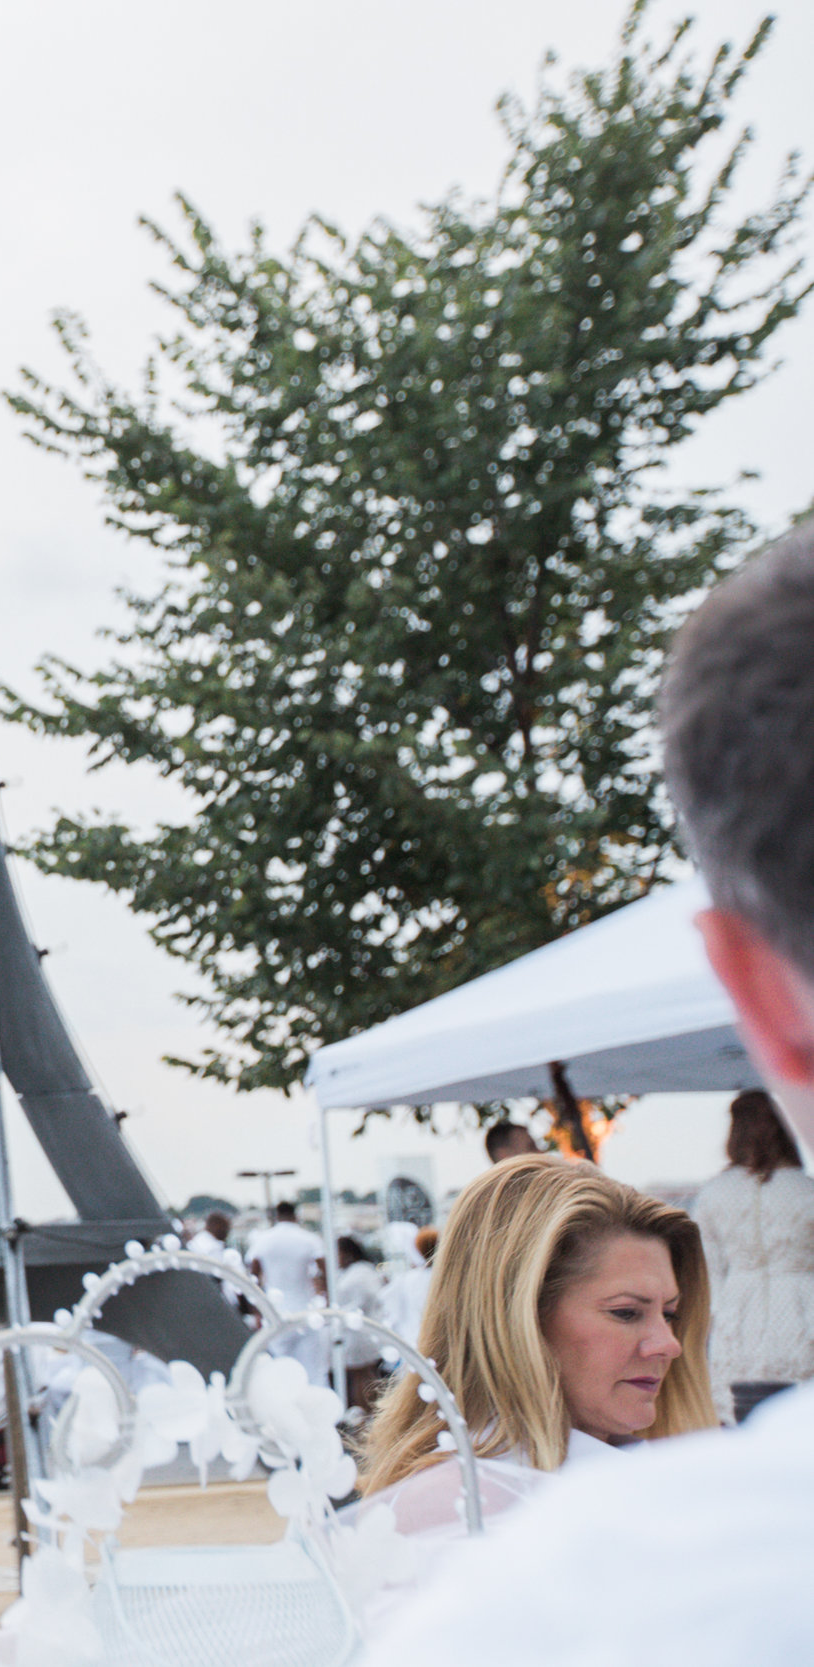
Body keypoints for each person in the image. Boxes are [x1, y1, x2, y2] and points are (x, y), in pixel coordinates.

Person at [358, 518, 814, 1666]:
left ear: (754, 997)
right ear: (512, 1311)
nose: (662, 1341)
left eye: (662, 1312)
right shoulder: (527, 1534)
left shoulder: (608, 1572)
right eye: (629, 1312)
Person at [355, 1158, 714, 1538]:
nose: (669, 1345)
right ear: (518, 1319)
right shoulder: (460, 1506)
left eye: (671, 1314)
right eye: (626, 1313)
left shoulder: (664, 1472)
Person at [693, 1089, 814, 1423]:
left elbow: (707, 1271)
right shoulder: (807, 1189)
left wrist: (719, 1316)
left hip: (738, 1312)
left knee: (739, 1415)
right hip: (802, 1309)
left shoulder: (713, 1194)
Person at [247, 1201, 328, 1382]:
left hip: (274, 1312)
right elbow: (325, 1269)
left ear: (276, 1216)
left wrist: (257, 1312)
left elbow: (253, 1276)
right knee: (313, 1372)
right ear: (295, 1215)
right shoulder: (308, 1238)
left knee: (279, 1371)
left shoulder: (263, 1239)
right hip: (306, 1310)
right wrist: (326, 1296)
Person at [333, 1235, 387, 1412]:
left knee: (363, 1377)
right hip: (356, 1331)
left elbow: (366, 1298)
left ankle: (369, 1414)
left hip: (359, 1332)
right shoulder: (355, 1272)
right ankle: (369, 1413)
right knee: (363, 1376)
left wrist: (342, 1314)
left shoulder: (360, 1273)